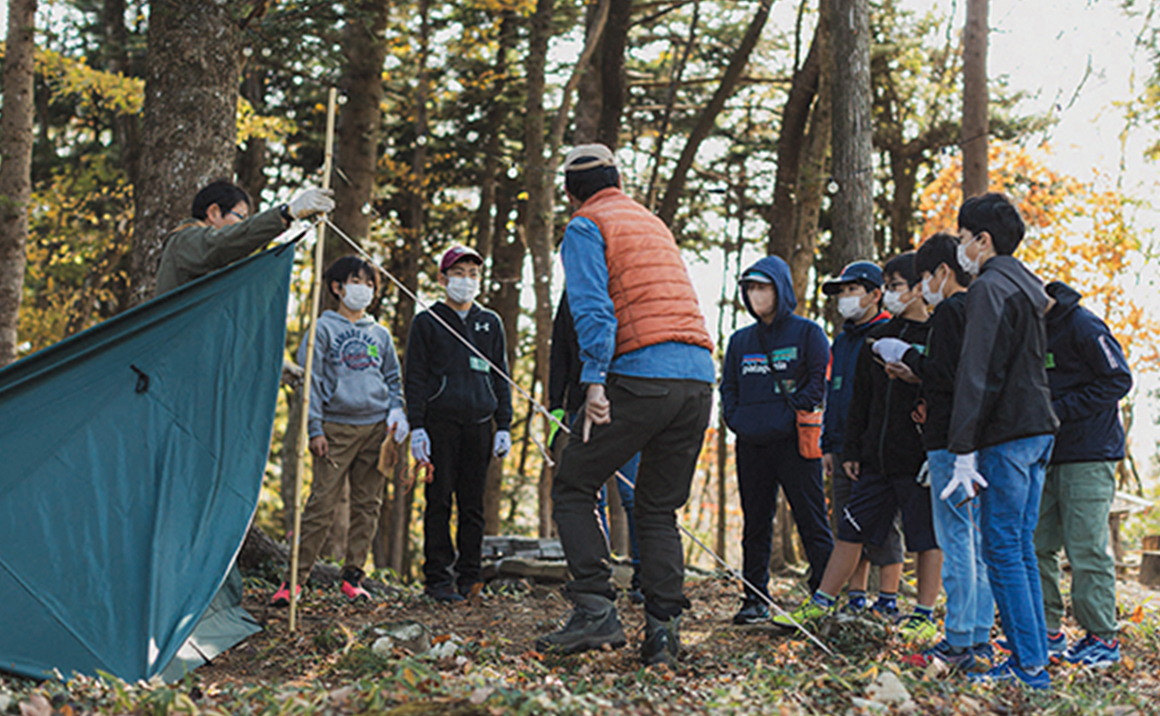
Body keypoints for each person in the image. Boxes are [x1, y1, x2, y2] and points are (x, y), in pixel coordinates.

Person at [533, 144, 714, 667]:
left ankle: (595, 612)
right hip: (698, 379)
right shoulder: (651, 223)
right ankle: (663, 633)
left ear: (571, 193)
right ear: (617, 179)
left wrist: (593, 383)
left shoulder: (586, 225)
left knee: (573, 484)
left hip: (639, 376)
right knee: (658, 507)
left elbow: (593, 311)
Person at [774, 253, 939, 643]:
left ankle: (924, 613)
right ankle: (823, 600)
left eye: (897, 285)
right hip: (873, 460)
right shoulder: (876, 340)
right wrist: (852, 452)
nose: (893, 294)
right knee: (850, 530)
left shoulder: (938, 335)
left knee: (924, 536)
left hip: (917, 458)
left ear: (919, 287)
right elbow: (861, 402)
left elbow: (946, 389)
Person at [943, 192, 1059, 689]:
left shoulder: (990, 288)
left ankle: (1030, 670)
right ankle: (1033, 659)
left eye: (964, 238)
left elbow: (978, 371)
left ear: (982, 240)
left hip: (1007, 434)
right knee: (1020, 548)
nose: (961, 248)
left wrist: (962, 447)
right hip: (1037, 432)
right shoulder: (1028, 286)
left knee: (1003, 550)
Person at [882, 233, 994, 671]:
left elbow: (945, 374)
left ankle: (960, 637)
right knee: (979, 540)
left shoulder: (950, 310)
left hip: (949, 439)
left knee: (955, 539)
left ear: (943, 272)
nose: (924, 285)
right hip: (980, 439)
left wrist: (909, 358)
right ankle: (979, 634)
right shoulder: (985, 308)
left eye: (925, 276)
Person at [270, 256, 408, 606]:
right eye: (356, 282)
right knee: (321, 505)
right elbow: (310, 382)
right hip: (335, 428)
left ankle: (353, 578)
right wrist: (315, 428)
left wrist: (397, 413)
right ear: (337, 287)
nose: (364, 290)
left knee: (368, 505)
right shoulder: (323, 329)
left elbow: (393, 378)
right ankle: (293, 582)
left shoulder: (380, 333)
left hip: (377, 429)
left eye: (369, 285)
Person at [720, 256, 833, 625]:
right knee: (755, 523)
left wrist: (788, 416)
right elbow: (729, 389)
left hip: (795, 442)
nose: (756, 295)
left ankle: (824, 595)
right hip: (751, 443)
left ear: (780, 289)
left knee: (811, 518)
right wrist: (736, 420)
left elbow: (818, 382)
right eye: (750, 288)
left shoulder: (808, 333)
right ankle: (754, 599)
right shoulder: (740, 340)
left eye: (763, 287)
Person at [406, 245, 513, 603]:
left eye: (473, 274)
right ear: (443, 278)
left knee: (473, 505)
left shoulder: (490, 323)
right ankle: (438, 578)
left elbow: (502, 376)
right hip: (440, 424)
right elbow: (415, 377)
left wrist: (504, 424)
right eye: (459, 273)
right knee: (439, 501)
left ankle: (471, 577)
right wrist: (416, 426)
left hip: (481, 423)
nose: (466, 281)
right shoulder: (427, 321)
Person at [1034, 280, 1131, 667]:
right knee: (1037, 546)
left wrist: (1061, 410)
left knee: (1086, 547)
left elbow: (1118, 379)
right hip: (1044, 454)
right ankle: (1047, 631)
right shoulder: (1031, 331)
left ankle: (1101, 638)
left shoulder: (1083, 325)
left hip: (1089, 453)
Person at [819, 261, 905, 619]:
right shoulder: (841, 340)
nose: (845, 298)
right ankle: (856, 596)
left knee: (882, 525)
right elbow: (833, 393)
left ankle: (888, 598)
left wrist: (865, 444)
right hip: (840, 444)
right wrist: (828, 443)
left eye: (853, 290)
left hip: (874, 447)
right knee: (846, 522)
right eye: (842, 292)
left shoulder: (886, 333)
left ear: (874, 294)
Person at [549, 291, 645, 603]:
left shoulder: (624, 284)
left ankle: (642, 576)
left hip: (626, 404)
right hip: (580, 405)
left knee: (631, 493)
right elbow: (560, 348)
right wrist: (555, 404)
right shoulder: (571, 294)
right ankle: (598, 577)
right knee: (591, 494)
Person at [155, 180, 334, 296]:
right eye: (240, 216)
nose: (243, 225)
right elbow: (224, 242)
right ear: (214, 212)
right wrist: (287, 213)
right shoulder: (185, 240)